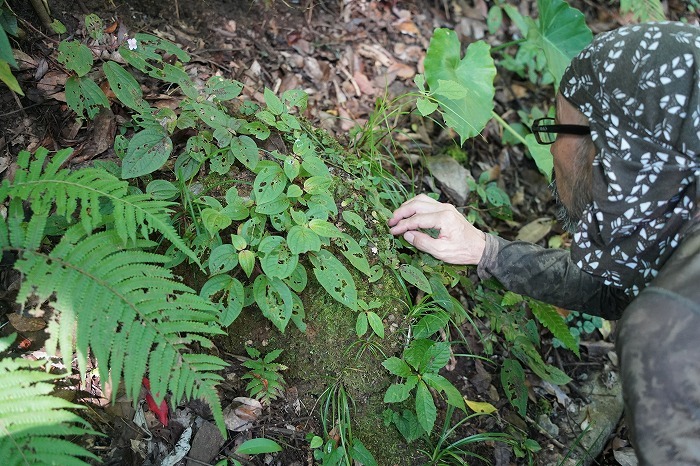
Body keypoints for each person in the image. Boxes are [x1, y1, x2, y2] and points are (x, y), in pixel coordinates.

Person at [389, 21, 700, 465]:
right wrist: (487, 250)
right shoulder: (679, 223)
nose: (552, 151)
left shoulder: (670, 334)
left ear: (615, 156)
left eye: (557, 130)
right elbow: (623, 286)